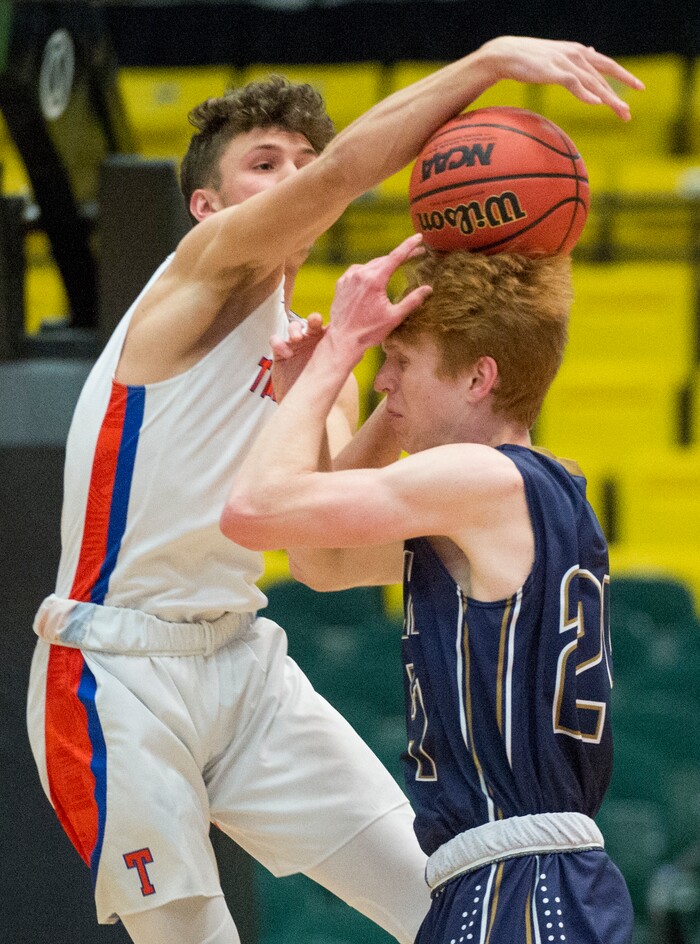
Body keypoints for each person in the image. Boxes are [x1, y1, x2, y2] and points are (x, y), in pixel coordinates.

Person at [26, 37, 641, 944]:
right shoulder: (196, 278)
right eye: (262, 165)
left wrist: (375, 396)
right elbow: (352, 170)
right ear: (207, 206)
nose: (293, 180)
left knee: (447, 900)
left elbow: (317, 558)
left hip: (241, 661)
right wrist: (487, 63)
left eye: (302, 163)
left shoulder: (325, 356)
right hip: (113, 668)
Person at [222, 234, 634, 943]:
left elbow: (252, 512)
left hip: (521, 885)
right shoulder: (524, 492)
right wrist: (336, 396)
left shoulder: (480, 480)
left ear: (479, 379)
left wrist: (337, 355)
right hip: (518, 878)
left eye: (402, 364)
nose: (385, 381)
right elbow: (323, 562)